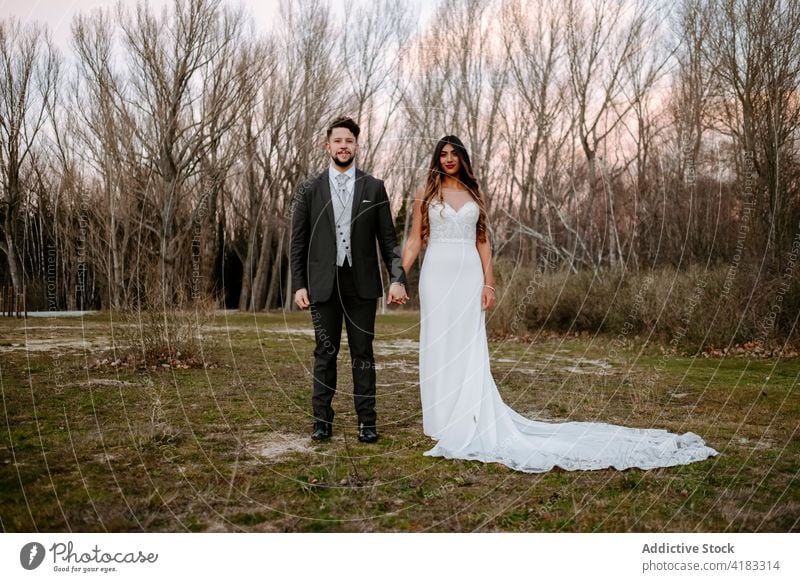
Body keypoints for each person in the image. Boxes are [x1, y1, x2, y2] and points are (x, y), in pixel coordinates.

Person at [400, 135, 718, 472]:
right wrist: (397, 276)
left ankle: (467, 419)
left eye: (454, 154)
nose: (448, 159)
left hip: (467, 279)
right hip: (435, 277)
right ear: (438, 158)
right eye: (443, 154)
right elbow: (414, 240)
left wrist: (489, 283)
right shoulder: (428, 194)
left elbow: (483, 242)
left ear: (463, 158)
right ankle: (442, 420)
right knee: (438, 345)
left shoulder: (474, 195)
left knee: (466, 347)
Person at [290, 116, 408, 444]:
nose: (344, 146)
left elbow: (388, 241)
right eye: (338, 141)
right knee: (324, 354)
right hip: (323, 285)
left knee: (362, 353)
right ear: (327, 146)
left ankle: (367, 422)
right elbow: (297, 242)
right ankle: (321, 421)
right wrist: (299, 284)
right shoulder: (309, 190)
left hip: (362, 285)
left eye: (350, 141)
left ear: (357, 146)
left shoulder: (374, 187)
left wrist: (398, 278)